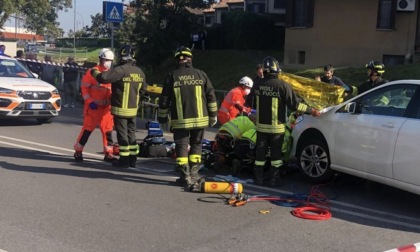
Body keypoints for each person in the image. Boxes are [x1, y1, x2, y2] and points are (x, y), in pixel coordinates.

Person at [253, 56, 321, 187]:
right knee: (276, 156)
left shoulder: (257, 84)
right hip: (277, 129)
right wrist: (311, 111)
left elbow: (250, 102)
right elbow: (295, 105)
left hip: (261, 127)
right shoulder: (282, 86)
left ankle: (258, 178)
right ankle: (274, 180)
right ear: (277, 69)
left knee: (260, 155)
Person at [158, 46, 218, 189]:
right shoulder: (201, 74)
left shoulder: (172, 75)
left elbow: (164, 99)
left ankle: (184, 176)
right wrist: (213, 115)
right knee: (197, 145)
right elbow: (211, 95)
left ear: (178, 59)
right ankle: (194, 174)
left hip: (180, 120)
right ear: (190, 58)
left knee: (181, 146)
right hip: (200, 119)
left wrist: (162, 118)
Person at [91, 45, 148, 168]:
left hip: (121, 110)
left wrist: (94, 71)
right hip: (133, 110)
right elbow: (143, 90)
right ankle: (133, 160)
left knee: (122, 135)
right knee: (131, 134)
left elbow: (103, 78)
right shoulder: (140, 72)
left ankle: (124, 160)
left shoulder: (120, 70)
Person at [73, 49, 118, 163]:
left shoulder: (112, 73)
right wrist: (89, 102)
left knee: (108, 132)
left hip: (106, 109)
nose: (108, 62)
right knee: (87, 130)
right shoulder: (93, 72)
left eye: (110, 60)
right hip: (93, 108)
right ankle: (78, 151)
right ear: (101, 59)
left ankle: (109, 154)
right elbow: (84, 88)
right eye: (106, 60)